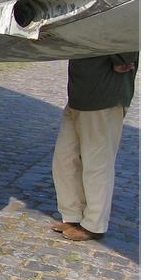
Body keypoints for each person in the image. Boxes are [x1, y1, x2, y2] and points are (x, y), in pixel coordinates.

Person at [51, 53, 138, 241]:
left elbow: (130, 31)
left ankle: (94, 224)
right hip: (79, 94)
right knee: (64, 159)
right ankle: (72, 214)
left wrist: (124, 59)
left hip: (104, 95)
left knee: (97, 163)